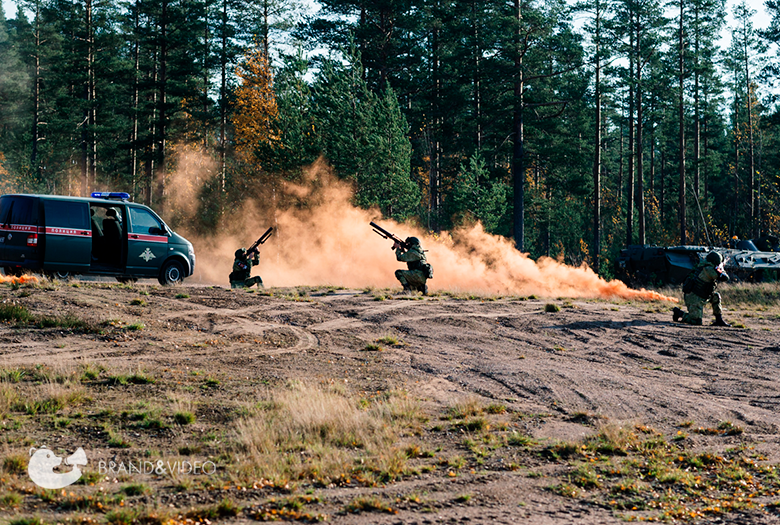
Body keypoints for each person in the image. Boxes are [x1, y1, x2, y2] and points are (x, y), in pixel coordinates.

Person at [673, 251, 730, 327]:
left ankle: (719, 320)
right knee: (696, 321)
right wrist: (721, 269)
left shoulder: (706, 266)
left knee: (716, 296)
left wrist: (720, 268)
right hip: (694, 297)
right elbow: (725, 278)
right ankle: (679, 313)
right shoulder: (708, 269)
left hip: (703, 295)